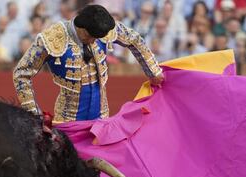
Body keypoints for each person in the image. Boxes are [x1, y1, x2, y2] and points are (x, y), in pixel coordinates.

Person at [13, 4, 164, 125]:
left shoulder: (100, 25)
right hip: (68, 122)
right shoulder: (52, 38)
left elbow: (134, 39)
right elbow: (21, 73)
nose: (94, 41)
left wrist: (153, 71)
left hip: (101, 120)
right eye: (92, 37)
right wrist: (35, 117)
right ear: (83, 30)